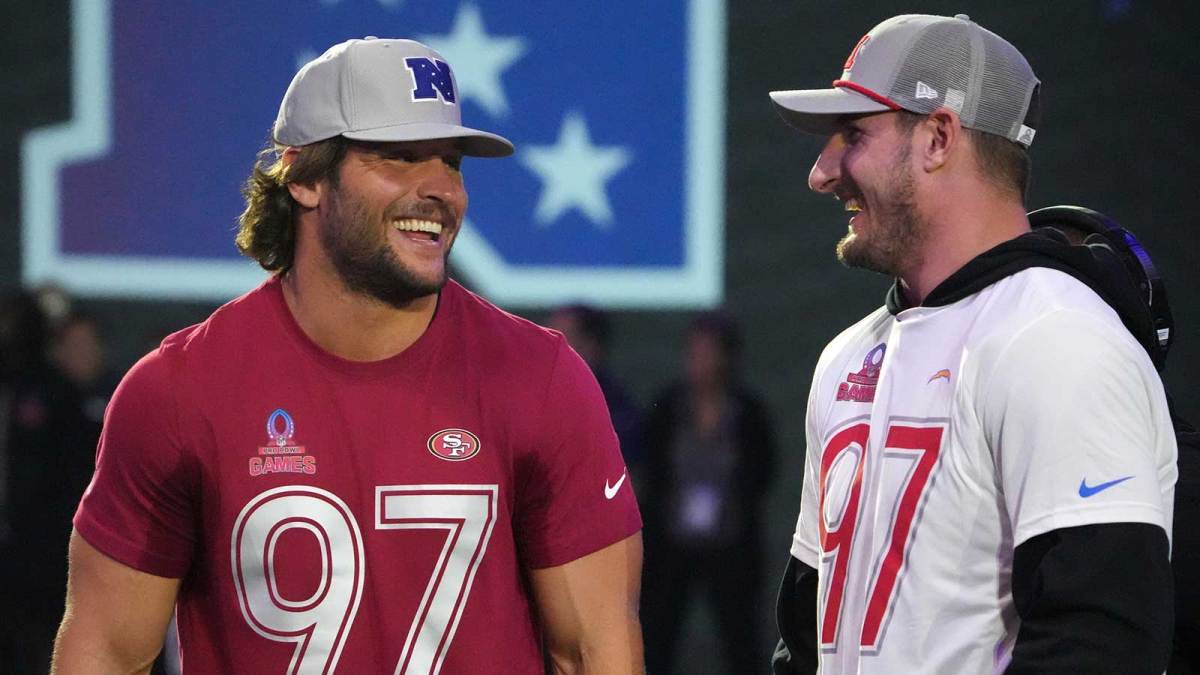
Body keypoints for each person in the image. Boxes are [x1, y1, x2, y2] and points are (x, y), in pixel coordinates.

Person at [53, 38, 644, 675]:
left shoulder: (542, 380)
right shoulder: (179, 392)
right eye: (398, 157)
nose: (439, 188)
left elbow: (594, 654)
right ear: (305, 177)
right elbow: (107, 653)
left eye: (450, 161)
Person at [766, 14, 1176, 673]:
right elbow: (805, 632)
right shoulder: (845, 358)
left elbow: (1100, 642)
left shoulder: (1057, 339)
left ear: (937, 137)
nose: (822, 172)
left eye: (852, 134)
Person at [640, 312, 775, 675]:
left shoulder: (748, 412)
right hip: (671, 545)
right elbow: (653, 468)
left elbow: (763, 471)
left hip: (730, 545)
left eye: (709, 351)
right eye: (695, 350)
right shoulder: (668, 406)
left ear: (727, 357)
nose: (700, 359)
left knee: (740, 641)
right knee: (658, 638)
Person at [546, 304, 644, 473]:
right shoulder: (529, 403)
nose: (547, 349)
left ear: (591, 346)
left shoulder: (619, 416)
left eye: (559, 340)